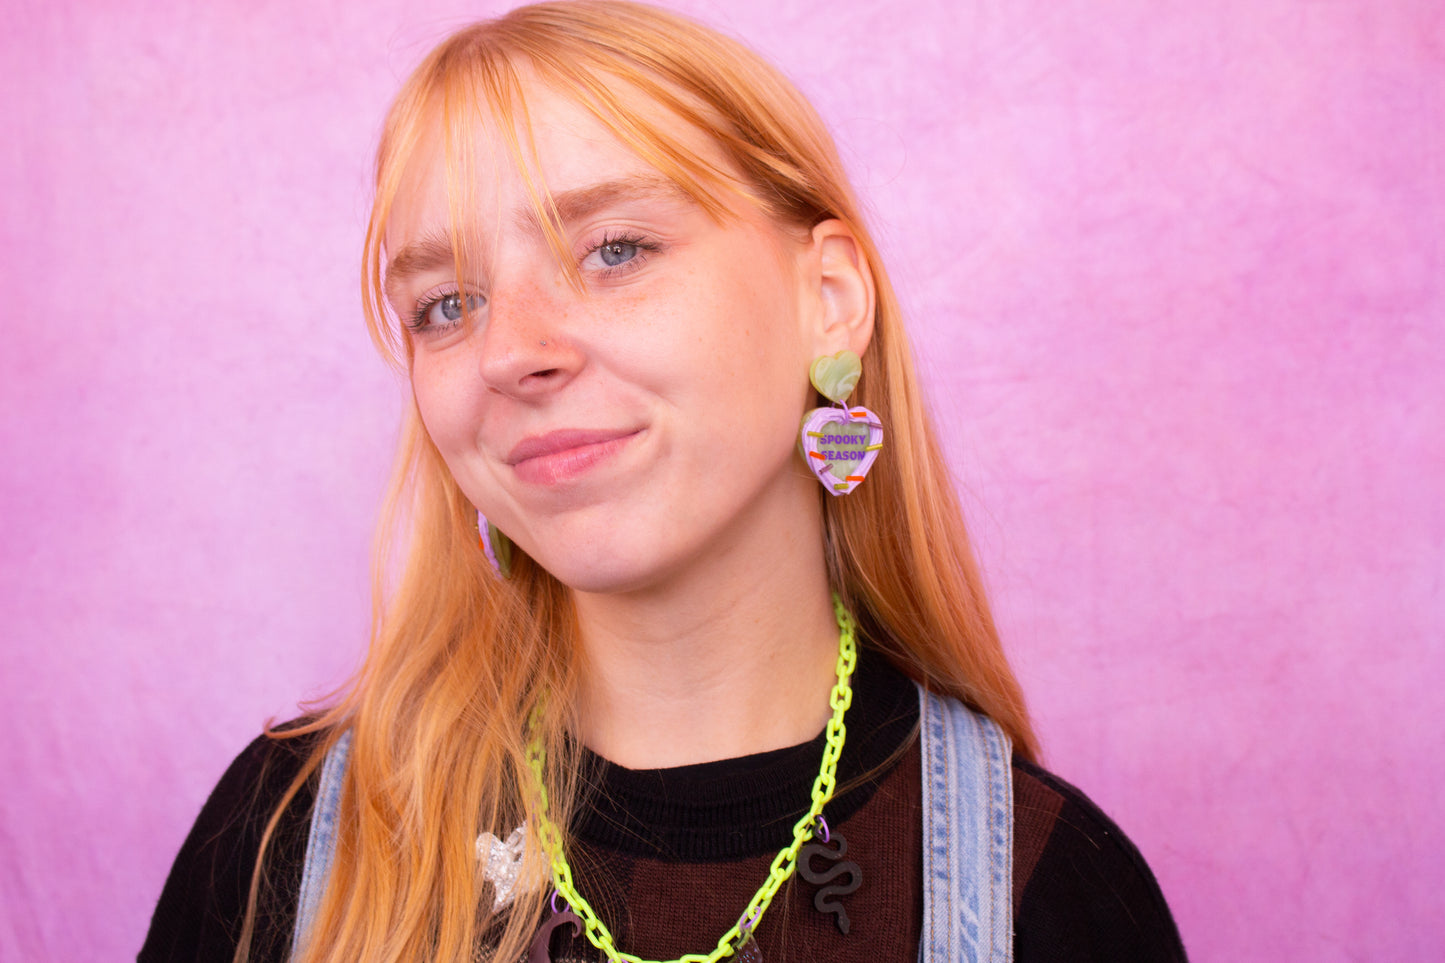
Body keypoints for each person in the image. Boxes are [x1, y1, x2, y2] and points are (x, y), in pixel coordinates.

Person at [141, 2, 1186, 961]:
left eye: (613, 250)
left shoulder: (1051, 892)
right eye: (447, 304)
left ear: (827, 299)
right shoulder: (288, 838)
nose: (512, 352)